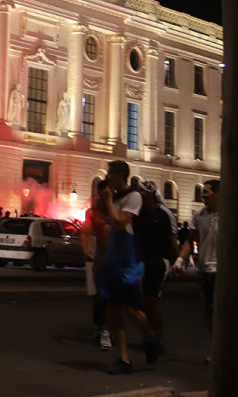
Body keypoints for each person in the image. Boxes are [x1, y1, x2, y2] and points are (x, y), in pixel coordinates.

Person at [99, 160, 159, 375]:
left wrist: (107, 203)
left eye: (110, 174)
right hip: (113, 259)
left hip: (129, 260)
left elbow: (119, 223)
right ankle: (124, 358)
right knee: (114, 307)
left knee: (132, 308)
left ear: (120, 175)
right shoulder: (114, 197)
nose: (107, 178)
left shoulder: (134, 196)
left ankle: (151, 339)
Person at [173, 178, 220, 358]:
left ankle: (225, 347)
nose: (202, 195)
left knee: (223, 311)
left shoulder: (231, 214)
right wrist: (180, 259)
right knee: (209, 310)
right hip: (205, 271)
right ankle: (215, 348)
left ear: (217, 194)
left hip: (223, 272)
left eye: (206, 191)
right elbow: (192, 239)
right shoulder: (199, 215)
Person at [135, 180, 178, 353]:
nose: (141, 195)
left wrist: (176, 261)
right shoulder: (138, 214)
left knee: (153, 300)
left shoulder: (162, 215)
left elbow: (172, 240)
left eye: (143, 192)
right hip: (141, 261)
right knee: (141, 301)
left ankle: (157, 336)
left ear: (151, 194)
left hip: (157, 261)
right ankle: (149, 334)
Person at [81, 179, 111, 350]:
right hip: (101, 256)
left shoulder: (119, 210)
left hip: (116, 257)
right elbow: (85, 231)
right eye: (104, 192)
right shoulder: (93, 212)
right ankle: (103, 328)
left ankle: (107, 328)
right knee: (101, 295)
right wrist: (86, 251)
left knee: (113, 297)